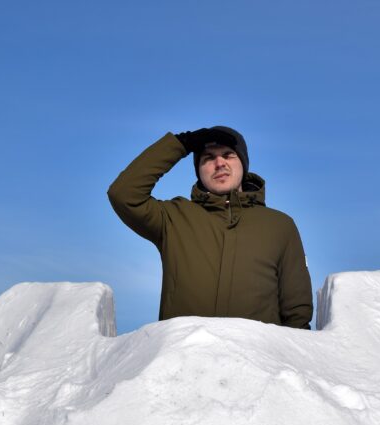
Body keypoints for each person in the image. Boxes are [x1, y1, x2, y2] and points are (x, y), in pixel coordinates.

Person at [108, 126, 313, 329]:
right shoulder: (173, 218)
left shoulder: (279, 226)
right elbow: (124, 194)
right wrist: (181, 144)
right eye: (207, 158)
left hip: (255, 359)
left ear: (243, 163)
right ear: (198, 171)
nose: (219, 163)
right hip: (184, 358)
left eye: (228, 154)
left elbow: (297, 312)